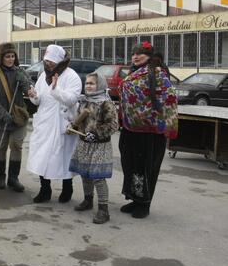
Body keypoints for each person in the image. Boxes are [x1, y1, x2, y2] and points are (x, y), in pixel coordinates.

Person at [119, 42, 178, 219]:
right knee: (131, 165)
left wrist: (162, 121)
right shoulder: (134, 72)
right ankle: (135, 199)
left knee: (146, 167)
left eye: (140, 54)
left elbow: (169, 97)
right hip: (131, 128)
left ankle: (144, 204)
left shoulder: (158, 72)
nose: (135, 57)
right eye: (133, 53)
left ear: (150, 56)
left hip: (150, 131)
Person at [26, 44, 81, 203]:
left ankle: (67, 187)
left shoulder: (71, 76)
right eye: (46, 60)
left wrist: (56, 90)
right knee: (43, 157)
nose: (48, 63)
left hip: (62, 123)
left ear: (59, 60)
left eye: (51, 60)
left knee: (63, 158)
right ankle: (45, 189)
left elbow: (72, 99)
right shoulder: (44, 75)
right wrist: (34, 96)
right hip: (44, 122)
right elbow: (39, 100)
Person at [68, 73, 118, 223]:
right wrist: (72, 126)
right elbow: (78, 120)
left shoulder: (106, 103)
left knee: (98, 177)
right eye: (87, 83)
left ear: (100, 85)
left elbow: (114, 125)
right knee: (85, 174)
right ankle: (88, 200)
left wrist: (97, 133)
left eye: (92, 83)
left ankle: (104, 209)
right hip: (84, 143)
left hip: (100, 145)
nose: (88, 86)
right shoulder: (84, 101)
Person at [0, 43, 31, 191]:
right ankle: (1, 176)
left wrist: (24, 82)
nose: (10, 59)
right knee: (1, 147)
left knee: (16, 145)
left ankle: (13, 178)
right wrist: (4, 115)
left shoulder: (21, 72)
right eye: (7, 56)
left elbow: (28, 88)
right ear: (1, 58)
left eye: (12, 56)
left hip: (18, 118)